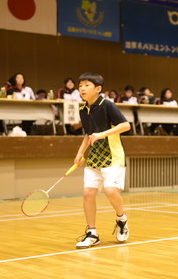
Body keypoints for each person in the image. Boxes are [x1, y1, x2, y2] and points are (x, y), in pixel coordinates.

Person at [74, 72, 131, 249]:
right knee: (88, 193)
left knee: (110, 191)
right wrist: (80, 152)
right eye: (80, 85)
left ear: (98, 89)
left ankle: (121, 219)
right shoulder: (83, 109)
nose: (82, 88)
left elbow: (125, 125)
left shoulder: (107, 105)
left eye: (87, 85)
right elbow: (88, 134)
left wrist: (102, 134)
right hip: (94, 157)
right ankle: (92, 233)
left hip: (113, 155)